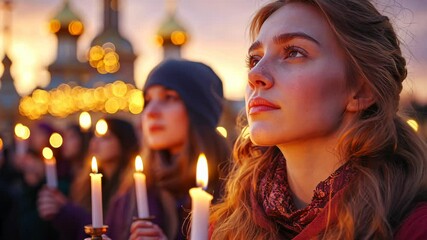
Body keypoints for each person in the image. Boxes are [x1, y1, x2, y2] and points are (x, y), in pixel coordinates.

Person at [209, 0, 427, 239]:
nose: (254, 75)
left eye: (294, 52)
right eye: (254, 59)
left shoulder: (413, 229)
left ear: (361, 91)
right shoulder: (221, 228)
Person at [129, 59, 231, 240]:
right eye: (147, 100)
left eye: (169, 97)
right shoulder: (133, 190)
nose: (151, 111)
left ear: (198, 111)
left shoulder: (236, 194)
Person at [37, 117, 140, 240]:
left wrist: (69, 209)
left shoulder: (132, 190)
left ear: (123, 142)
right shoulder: (84, 185)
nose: (95, 142)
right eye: (95, 136)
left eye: (105, 137)